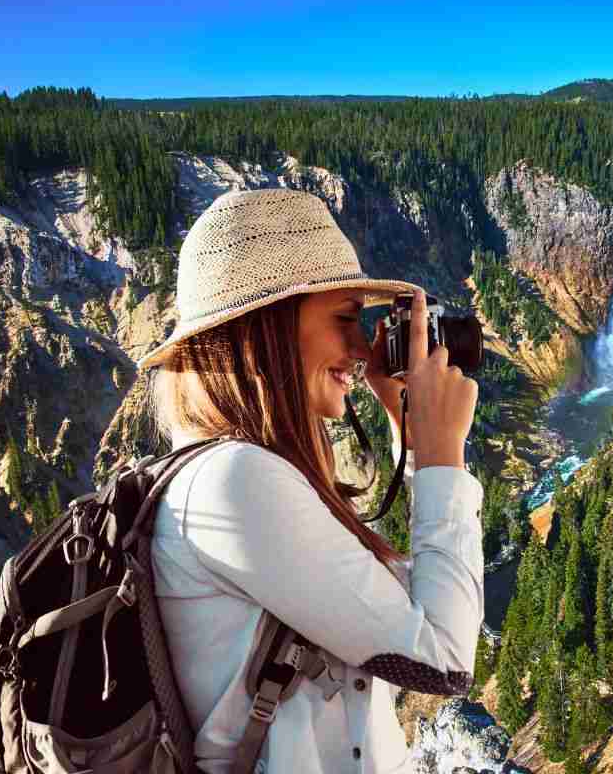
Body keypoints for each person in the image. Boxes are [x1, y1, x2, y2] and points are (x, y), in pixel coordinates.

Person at [135, 188, 484, 773]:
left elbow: (399, 606)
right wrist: (443, 457)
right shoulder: (234, 482)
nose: (359, 349)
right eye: (345, 319)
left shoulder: (239, 473)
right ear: (266, 329)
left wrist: (415, 439)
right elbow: (444, 658)